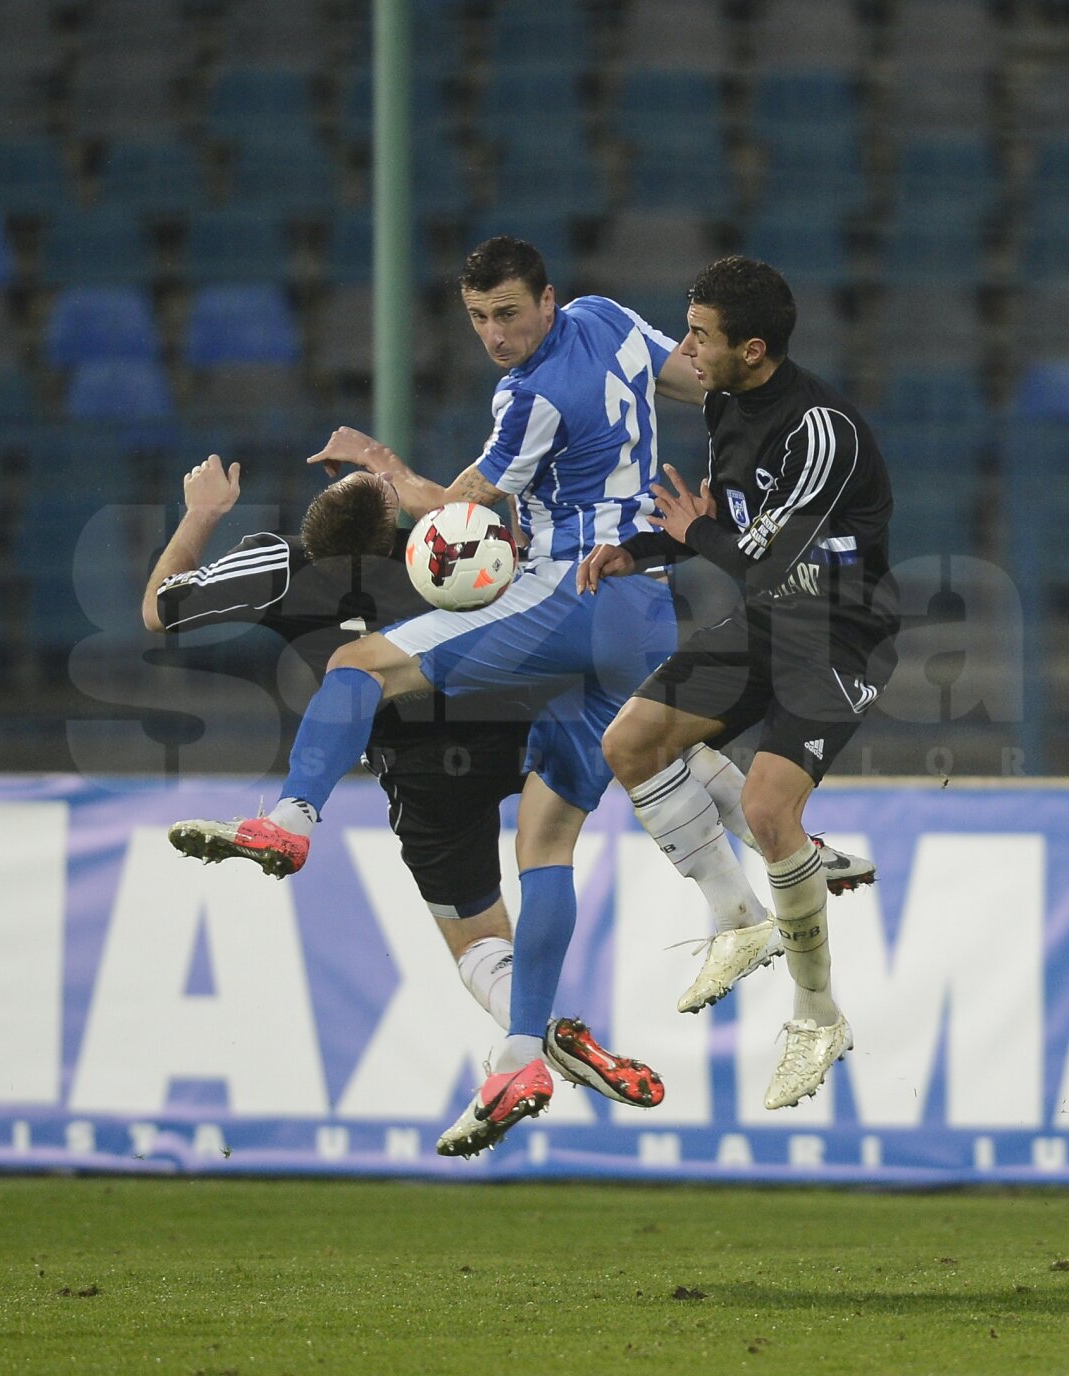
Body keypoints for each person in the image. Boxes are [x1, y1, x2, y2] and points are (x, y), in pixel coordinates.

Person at [168, 236, 703, 1157]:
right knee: (550, 840)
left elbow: (461, 510)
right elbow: (694, 377)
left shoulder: (521, 399)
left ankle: (292, 818)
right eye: (479, 319)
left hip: (559, 614)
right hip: (647, 613)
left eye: (506, 314)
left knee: (359, 670)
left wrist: (215, 514)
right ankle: (524, 1050)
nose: (495, 336)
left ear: (543, 299)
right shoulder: (610, 318)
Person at [147, 453, 666, 1126]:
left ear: (313, 532)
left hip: (420, 772)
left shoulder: (279, 566)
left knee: (477, 944)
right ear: (392, 524)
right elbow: (497, 522)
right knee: (548, 849)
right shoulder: (441, 551)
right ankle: (538, 1030)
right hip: (518, 723)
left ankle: (538, 1037)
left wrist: (202, 513)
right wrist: (396, 474)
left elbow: (160, 609)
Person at [580, 256, 900, 1111]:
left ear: (753, 349)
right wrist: (642, 550)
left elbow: (767, 559)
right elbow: (726, 527)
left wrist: (693, 529)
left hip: (840, 632)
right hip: (770, 620)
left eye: (700, 335)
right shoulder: (725, 404)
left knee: (767, 808)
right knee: (632, 743)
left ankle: (817, 1014)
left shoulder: (821, 429)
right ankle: (739, 918)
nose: (685, 348)